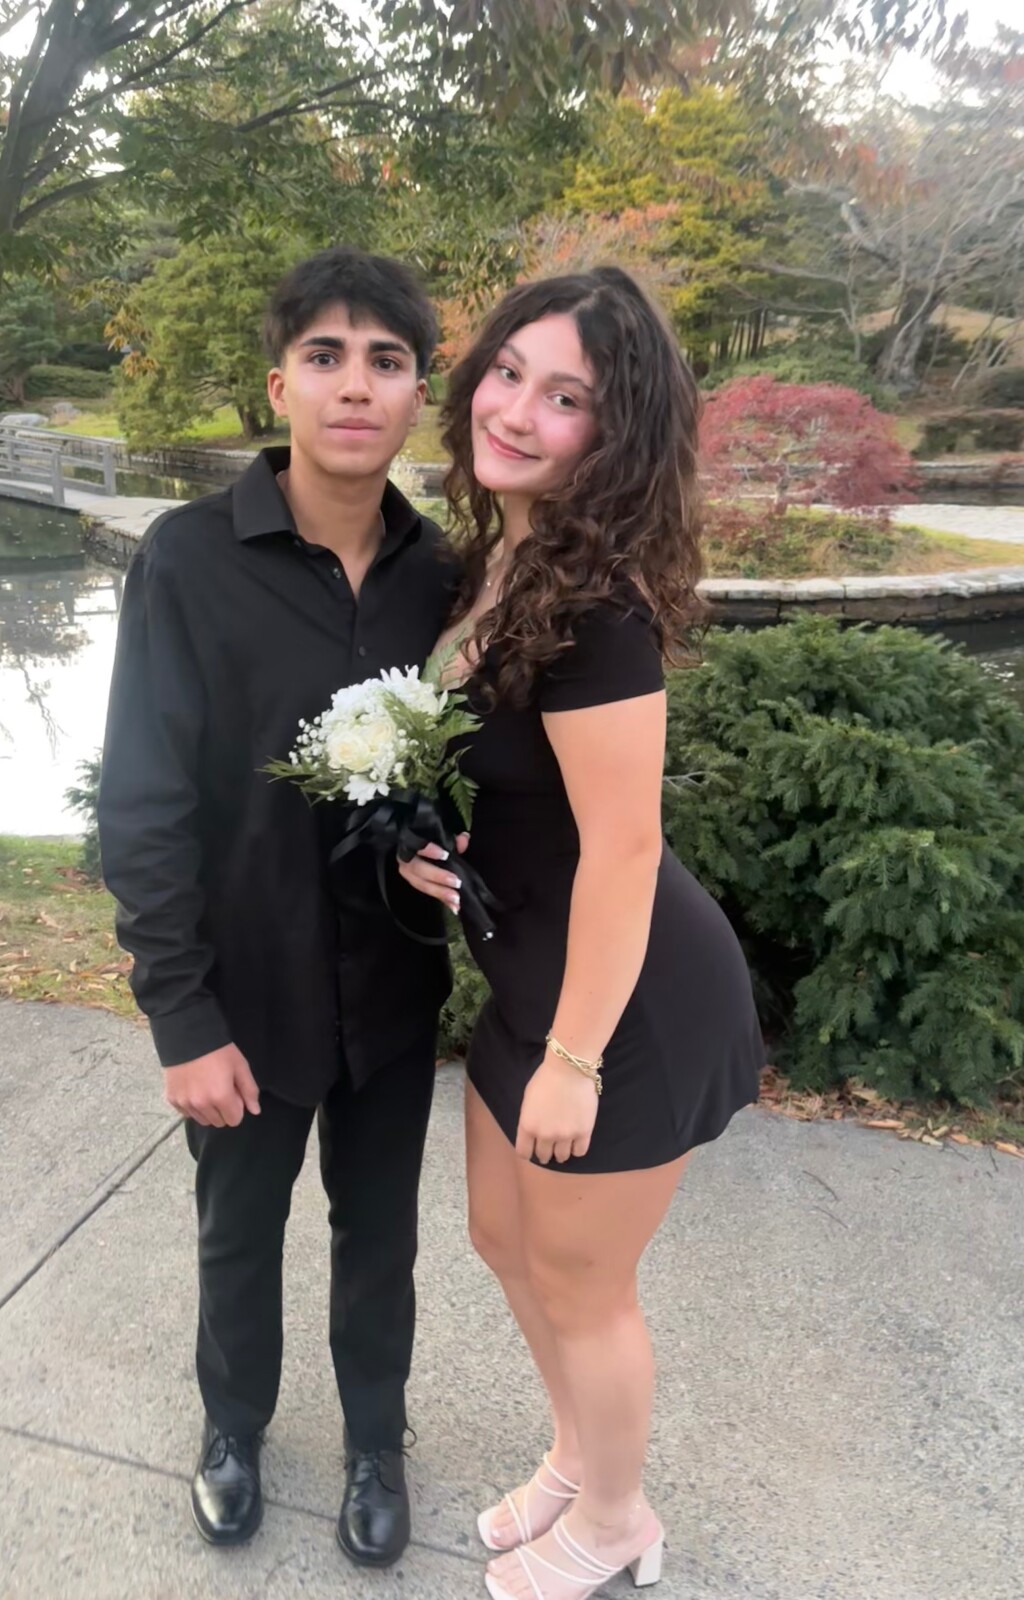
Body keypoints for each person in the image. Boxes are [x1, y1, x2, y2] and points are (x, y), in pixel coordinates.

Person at [399, 267, 764, 1599]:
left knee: (583, 1281)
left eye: (565, 398)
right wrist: (435, 843)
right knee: (507, 1243)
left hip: (622, 1011)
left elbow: (622, 850)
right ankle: (577, 1457)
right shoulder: (498, 560)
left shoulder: (598, 610)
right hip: (533, 982)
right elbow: (515, 788)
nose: (516, 410)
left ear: (613, 438)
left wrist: (576, 1057)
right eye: (508, 372)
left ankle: (617, 1521)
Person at [98, 247, 457, 1568]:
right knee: (238, 1235)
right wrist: (182, 1018)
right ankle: (233, 1428)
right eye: (325, 356)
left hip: (394, 985)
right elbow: (142, 800)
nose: (355, 385)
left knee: (381, 1238)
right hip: (245, 991)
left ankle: (375, 1440)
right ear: (279, 386)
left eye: (386, 360)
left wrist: (450, 838)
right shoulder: (189, 561)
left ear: (418, 394)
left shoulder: (443, 577)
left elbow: (467, 769)